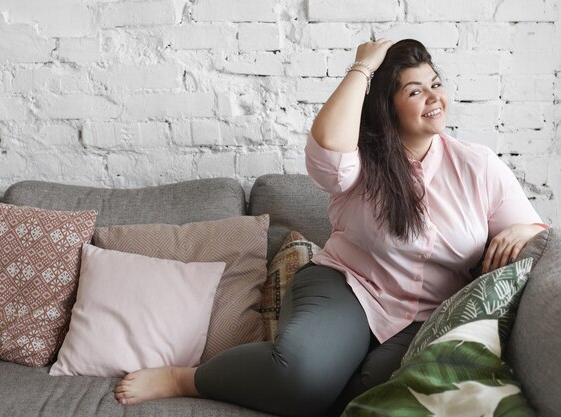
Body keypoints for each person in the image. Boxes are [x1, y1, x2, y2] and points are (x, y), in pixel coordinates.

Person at [113, 39, 547, 417]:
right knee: (301, 376)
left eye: (436, 84)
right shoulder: (360, 163)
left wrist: (524, 232)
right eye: (415, 91)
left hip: (426, 314)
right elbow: (325, 147)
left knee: (379, 393)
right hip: (349, 287)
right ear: (387, 106)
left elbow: (536, 236)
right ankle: (187, 379)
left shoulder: (478, 165)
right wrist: (363, 68)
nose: (434, 98)